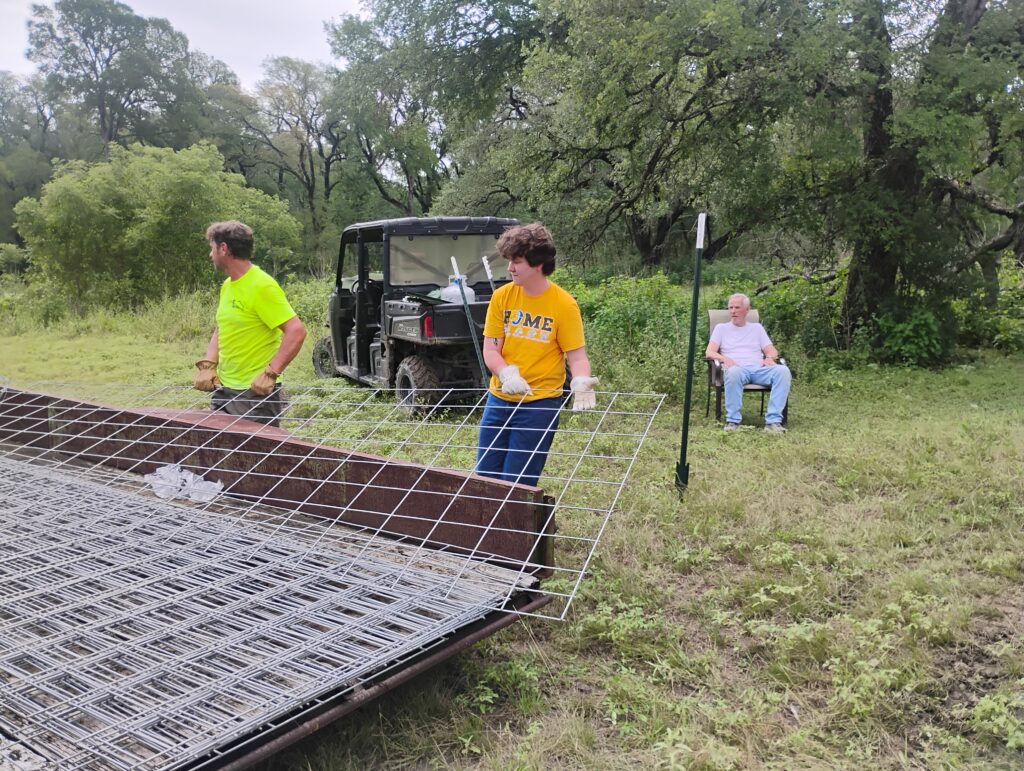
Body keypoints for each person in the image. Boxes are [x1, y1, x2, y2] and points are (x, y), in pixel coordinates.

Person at [475, 222, 599, 486]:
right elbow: (491, 349)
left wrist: (580, 381)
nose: (509, 268)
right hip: (500, 398)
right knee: (485, 477)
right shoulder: (502, 297)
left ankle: (515, 527)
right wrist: (506, 373)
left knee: (518, 482)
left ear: (538, 263)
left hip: (539, 404)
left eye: (516, 261)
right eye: (509, 260)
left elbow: (577, 357)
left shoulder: (564, 304)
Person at [193, 221, 307, 427]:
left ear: (224, 248)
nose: (210, 255)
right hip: (223, 389)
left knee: (255, 457)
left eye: (212, 249)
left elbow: (296, 331)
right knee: (222, 453)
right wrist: (209, 365)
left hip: (254, 395)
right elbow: (222, 327)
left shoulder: (262, 286)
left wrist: (271, 373)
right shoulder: (228, 285)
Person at [705, 292, 791, 433]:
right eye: (730, 307)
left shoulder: (757, 328)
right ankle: (733, 421)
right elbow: (709, 352)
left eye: (737, 307)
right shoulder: (721, 328)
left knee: (783, 371)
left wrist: (769, 358)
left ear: (747, 310)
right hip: (736, 369)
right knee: (733, 373)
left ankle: (773, 423)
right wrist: (724, 358)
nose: (733, 311)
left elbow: (772, 351)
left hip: (759, 369)